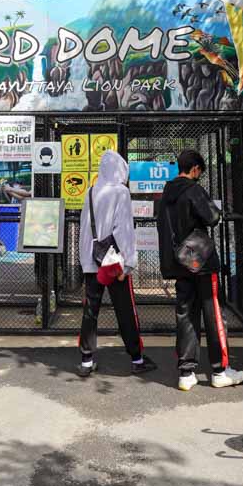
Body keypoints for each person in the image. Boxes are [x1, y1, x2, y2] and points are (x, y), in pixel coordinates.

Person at [157, 149, 243, 391]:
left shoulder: (166, 193)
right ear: (195, 168)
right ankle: (219, 370)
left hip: (179, 263)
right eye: (200, 171)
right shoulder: (193, 189)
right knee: (213, 313)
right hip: (201, 261)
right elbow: (212, 217)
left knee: (185, 313)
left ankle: (186, 373)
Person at [75, 150, 157, 378]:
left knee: (90, 310)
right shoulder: (120, 192)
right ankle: (137, 359)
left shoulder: (91, 191)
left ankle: (86, 359)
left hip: (93, 260)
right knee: (125, 309)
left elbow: (84, 229)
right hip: (114, 262)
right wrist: (128, 263)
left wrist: (85, 261)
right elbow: (124, 229)